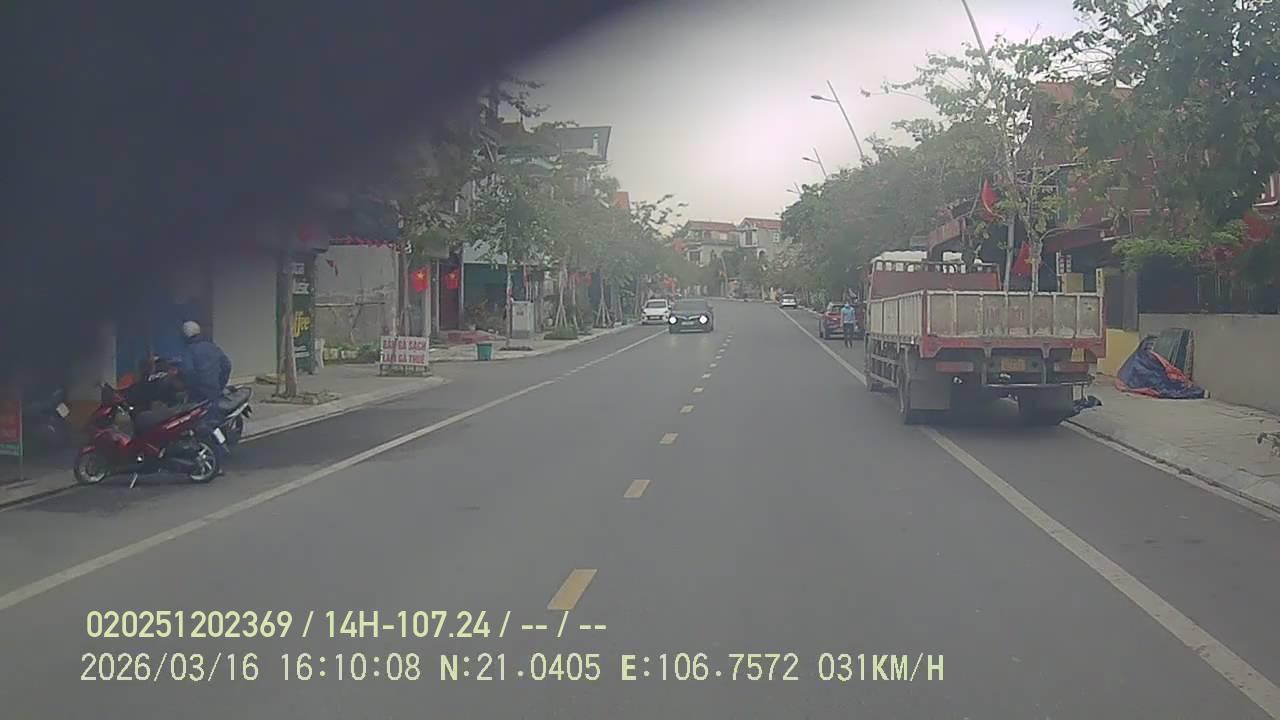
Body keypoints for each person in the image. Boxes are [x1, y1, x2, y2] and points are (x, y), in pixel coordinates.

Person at [176, 321, 232, 472]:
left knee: (197, 426)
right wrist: (220, 384)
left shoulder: (189, 351)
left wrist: (191, 386)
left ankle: (206, 460)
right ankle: (220, 453)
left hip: (198, 394)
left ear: (185, 336)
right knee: (214, 422)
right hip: (214, 392)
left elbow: (188, 372)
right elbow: (227, 365)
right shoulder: (212, 347)